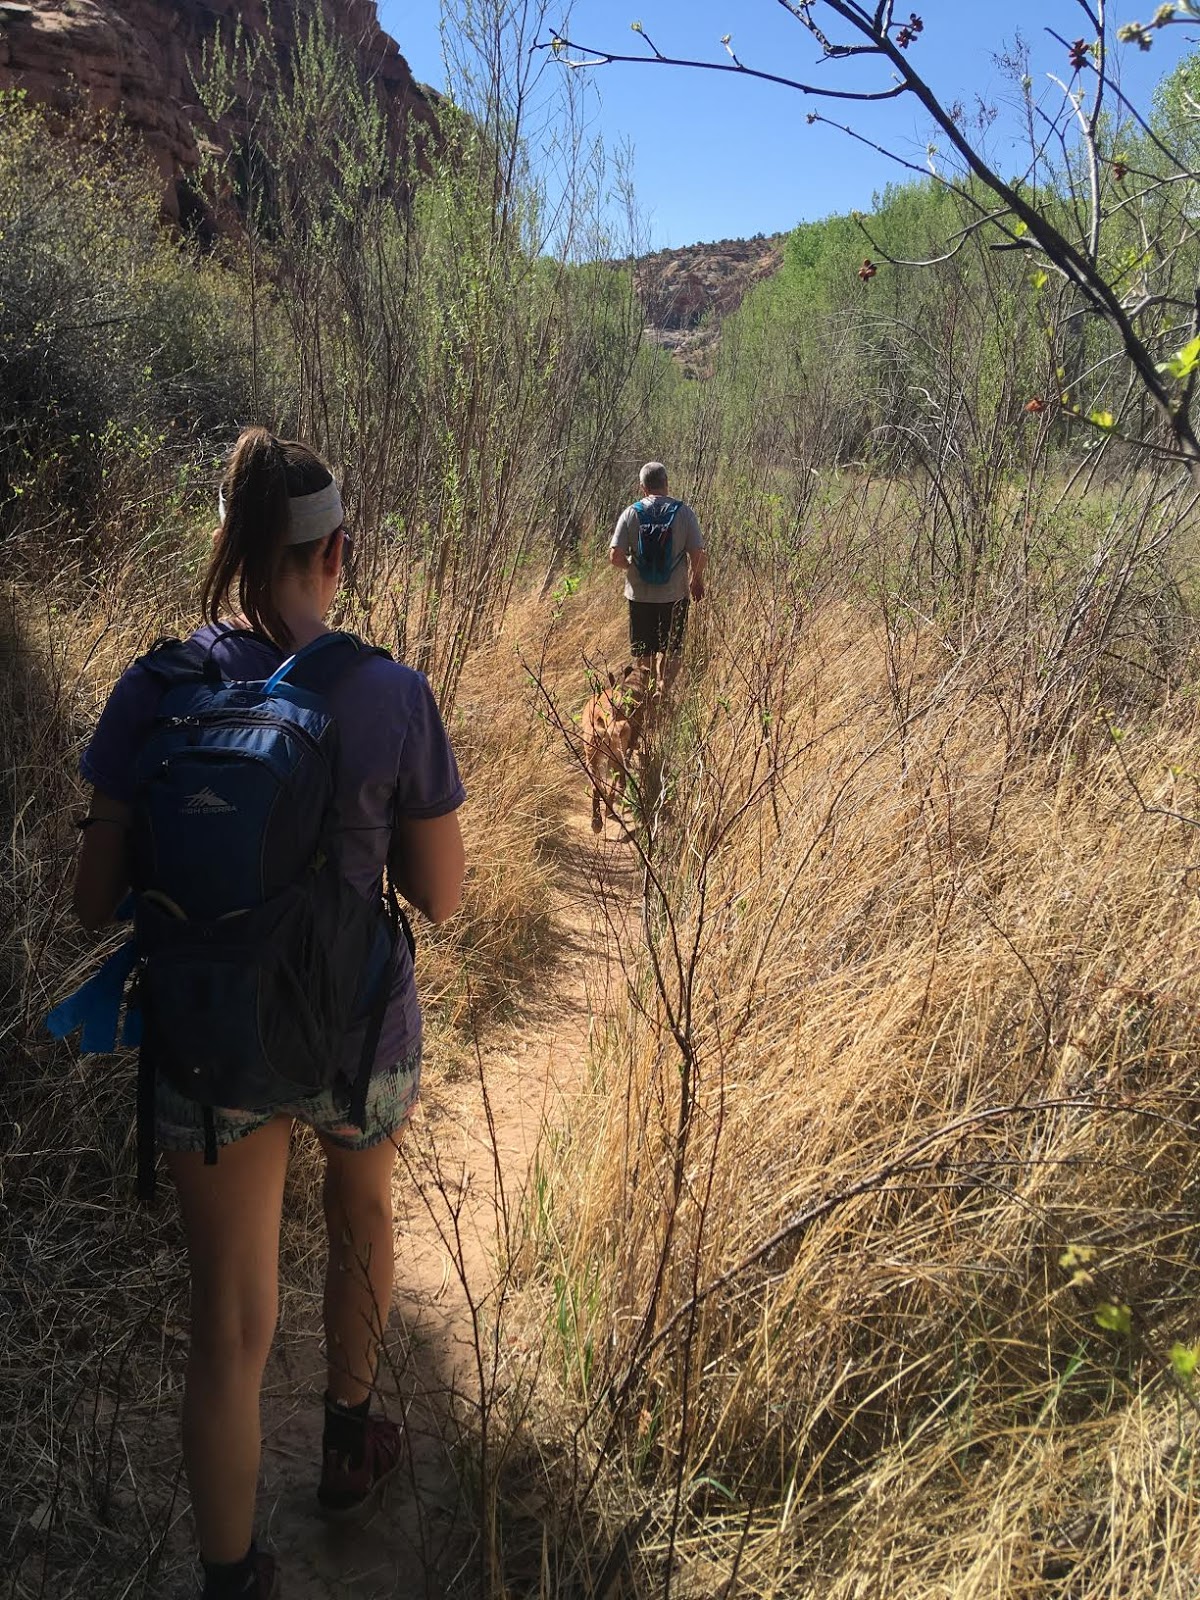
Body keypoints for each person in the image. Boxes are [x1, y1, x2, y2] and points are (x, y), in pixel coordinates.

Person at [71, 428, 466, 1600]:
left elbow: (95, 900)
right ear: (336, 551)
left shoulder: (156, 686)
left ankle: (232, 1574)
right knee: (362, 1215)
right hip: (354, 1034)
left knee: (231, 1321)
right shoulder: (391, 692)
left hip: (209, 1036)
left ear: (234, 551)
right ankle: (350, 1437)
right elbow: (441, 899)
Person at [609, 461, 707, 694]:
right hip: (675, 596)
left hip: (639, 596)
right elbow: (699, 554)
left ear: (642, 487)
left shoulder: (631, 513)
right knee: (672, 649)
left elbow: (615, 556)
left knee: (644, 653)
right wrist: (696, 579)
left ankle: (646, 694)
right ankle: (663, 688)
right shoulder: (683, 513)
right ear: (666, 483)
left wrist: (631, 565)